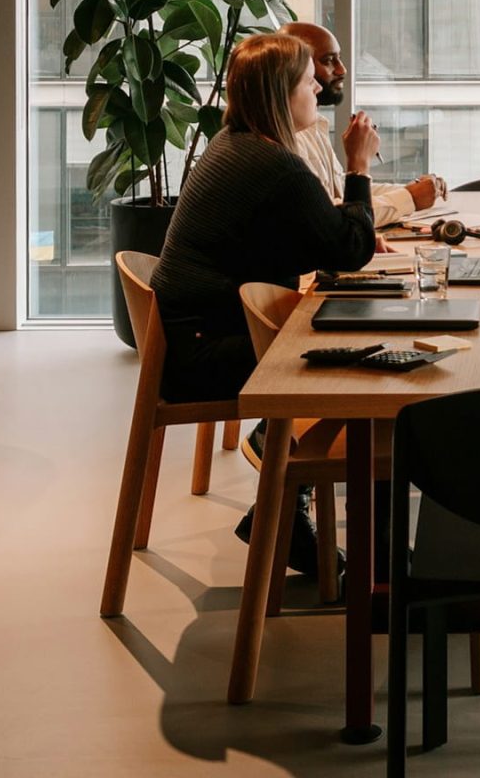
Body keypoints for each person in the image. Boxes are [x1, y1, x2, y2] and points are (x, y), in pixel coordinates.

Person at [146, 31, 380, 571]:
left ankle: (281, 508)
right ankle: (370, 552)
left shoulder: (235, 147)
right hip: (207, 356)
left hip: (196, 339)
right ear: (282, 94)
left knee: (347, 341)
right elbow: (351, 248)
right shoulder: (275, 166)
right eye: (307, 82)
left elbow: (310, 239)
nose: (317, 91)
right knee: (367, 365)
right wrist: (359, 167)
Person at [280, 22, 440, 228]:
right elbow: (334, 217)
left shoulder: (314, 125)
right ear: (294, 69)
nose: (342, 69)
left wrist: (414, 191)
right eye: (328, 60)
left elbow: (340, 191)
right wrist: (408, 197)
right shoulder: (286, 138)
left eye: (339, 58)